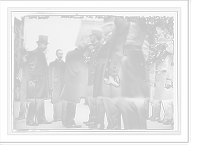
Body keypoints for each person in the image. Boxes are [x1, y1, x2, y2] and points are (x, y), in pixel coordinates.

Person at [105, 17, 150, 130]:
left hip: (126, 62)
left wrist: (112, 71)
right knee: (138, 105)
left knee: (127, 105)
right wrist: (137, 60)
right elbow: (146, 45)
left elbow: (118, 40)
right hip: (138, 61)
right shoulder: (142, 18)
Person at [93, 22, 121, 130]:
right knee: (107, 101)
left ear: (111, 27)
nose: (103, 29)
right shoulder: (107, 39)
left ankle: (114, 128)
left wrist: (107, 75)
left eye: (105, 27)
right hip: (102, 71)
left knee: (111, 102)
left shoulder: (113, 38)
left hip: (106, 73)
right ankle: (112, 126)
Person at [60, 40, 88, 128]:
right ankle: (70, 122)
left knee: (66, 100)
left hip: (66, 81)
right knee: (72, 102)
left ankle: (65, 121)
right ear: (83, 49)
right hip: (75, 83)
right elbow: (85, 69)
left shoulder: (69, 53)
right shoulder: (81, 57)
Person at [26, 35, 51, 126]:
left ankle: (41, 118)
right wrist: (32, 78)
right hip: (36, 81)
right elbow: (29, 67)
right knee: (34, 100)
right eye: (44, 44)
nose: (46, 46)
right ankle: (29, 119)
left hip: (42, 82)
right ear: (39, 43)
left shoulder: (42, 53)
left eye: (46, 44)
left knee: (41, 99)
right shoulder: (33, 53)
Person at [84, 28, 103, 127]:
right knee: (93, 99)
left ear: (95, 36)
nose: (90, 37)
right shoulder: (95, 47)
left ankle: (97, 120)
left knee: (97, 100)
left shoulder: (98, 46)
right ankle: (94, 119)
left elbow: (98, 63)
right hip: (92, 77)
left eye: (91, 35)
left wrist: (95, 77)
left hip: (95, 77)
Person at [154, 38, 174, 125]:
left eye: (159, 44)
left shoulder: (169, 55)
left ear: (164, 45)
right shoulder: (159, 56)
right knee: (163, 99)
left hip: (165, 79)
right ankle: (166, 117)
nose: (157, 46)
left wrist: (169, 82)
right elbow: (157, 70)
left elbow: (171, 69)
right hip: (160, 80)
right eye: (157, 45)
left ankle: (170, 118)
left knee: (168, 100)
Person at [49, 49, 65, 122]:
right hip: (55, 85)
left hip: (62, 86)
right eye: (59, 54)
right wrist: (50, 86)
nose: (60, 55)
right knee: (55, 101)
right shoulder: (52, 64)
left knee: (62, 101)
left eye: (62, 54)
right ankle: (55, 116)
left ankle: (61, 116)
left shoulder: (64, 64)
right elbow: (50, 76)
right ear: (56, 54)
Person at [146, 45, 161, 121]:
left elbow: (157, 72)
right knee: (152, 99)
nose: (149, 52)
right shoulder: (149, 60)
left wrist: (156, 82)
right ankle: (153, 115)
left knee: (156, 99)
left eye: (150, 50)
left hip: (154, 82)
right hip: (149, 82)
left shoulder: (156, 59)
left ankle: (157, 115)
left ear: (155, 51)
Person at [16, 51, 29, 120]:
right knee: (23, 102)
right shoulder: (22, 67)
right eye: (27, 56)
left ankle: (29, 116)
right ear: (26, 57)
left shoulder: (33, 67)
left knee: (30, 102)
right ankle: (21, 115)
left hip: (30, 87)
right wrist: (24, 83)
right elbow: (19, 76)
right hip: (24, 86)